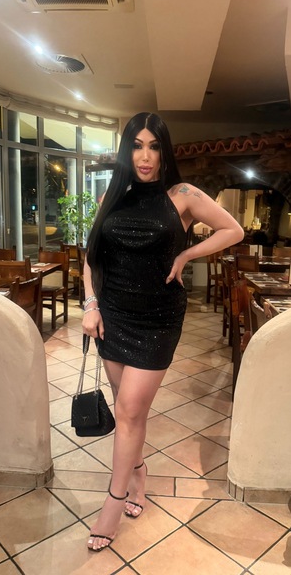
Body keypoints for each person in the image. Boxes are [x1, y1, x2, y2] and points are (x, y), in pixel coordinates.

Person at [82, 112, 244, 551]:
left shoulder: (183, 195)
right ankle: (139, 474)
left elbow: (233, 229)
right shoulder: (112, 197)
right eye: (137, 145)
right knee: (127, 411)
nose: (146, 155)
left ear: (164, 151)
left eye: (154, 146)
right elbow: (92, 256)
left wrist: (187, 254)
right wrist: (91, 305)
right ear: (127, 150)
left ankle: (113, 503)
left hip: (157, 319)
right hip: (113, 315)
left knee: (130, 409)